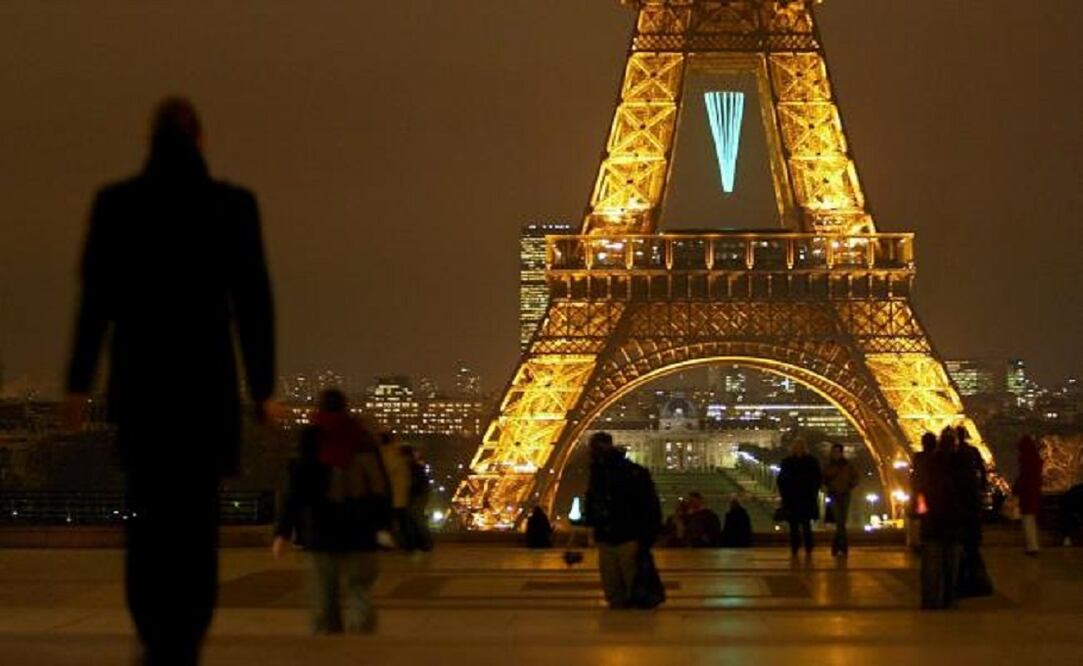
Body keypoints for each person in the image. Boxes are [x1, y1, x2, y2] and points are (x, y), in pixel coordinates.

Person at [63, 98, 275, 666]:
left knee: (149, 516)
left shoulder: (117, 206)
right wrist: (264, 388)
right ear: (202, 140)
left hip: (143, 386)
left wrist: (78, 383)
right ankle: (186, 633)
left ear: (148, 140)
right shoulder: (233, 207)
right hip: (205, 386)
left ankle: (154, 629)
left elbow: (95, 303)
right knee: (196, 520)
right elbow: (254, 303)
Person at [273, 390, 392, 633]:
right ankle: (361, 644)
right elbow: (381, 488)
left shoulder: (310, 439)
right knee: (360, 592)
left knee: (323, 597)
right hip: (361, 529)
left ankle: (328, 648)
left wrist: (283, 532)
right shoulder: (363, 439)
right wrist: (384, 525)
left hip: (321, 528)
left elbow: (295, 489)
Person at [583, 432, 663, 609]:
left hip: (621, 537)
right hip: (621, 536)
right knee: (630, 587)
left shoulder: (602, 473)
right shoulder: (606, 472)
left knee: (618, 590)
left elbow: (593, 504)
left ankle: (626, 628)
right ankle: (633, 629)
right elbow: (651, 508)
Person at [920, 427, 974, 610]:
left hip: (933, 521)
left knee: (931, 565)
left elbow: (923, 490)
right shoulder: (963, 464)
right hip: (955, 521)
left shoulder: (930, 464)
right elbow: (969, 494)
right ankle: (951, 598)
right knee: (953, 564)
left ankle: (930, 599)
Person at [955, 426, 992, 598]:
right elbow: (983, 470)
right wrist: (983, 486)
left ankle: (962, 581)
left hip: (960, 504)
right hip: (970, 503)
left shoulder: (954, 454)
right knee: (972, 548)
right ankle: (976, 580)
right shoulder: (972, 452)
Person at [777, 441, 822, 557]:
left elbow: (817, 478)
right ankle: (796, 547)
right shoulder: (809, 461)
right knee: (794, 526)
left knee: (805, 525)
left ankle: (807, 546)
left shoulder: (791, 462)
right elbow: (781, 480)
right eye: (796, 448)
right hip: (794, 499)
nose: (798, 450)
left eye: (800, 448)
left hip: (804, 498)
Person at [822, 443, 860, 557]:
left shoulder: (847, 465)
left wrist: (849, 486)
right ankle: (842, 548)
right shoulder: (829, 465)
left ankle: (836, 546)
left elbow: (856, 477)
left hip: (844, 495)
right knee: (840, 522)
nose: (836, 454)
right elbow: (823, 478)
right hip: (834, 495)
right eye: (835, 452)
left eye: (838, 452)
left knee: (841, 523)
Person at [378, 432, 412, 549]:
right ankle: (406, 543)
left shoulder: (386, 454)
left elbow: (386, 472)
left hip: (391, 493)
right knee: (401, 519)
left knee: (390, 521)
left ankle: (395, 544)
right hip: (399, 493)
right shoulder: (396, 453)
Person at [1014, 435, 1043, 556]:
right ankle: (1032, 545)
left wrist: (1017, 488)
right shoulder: (1035, 460)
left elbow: (1023, 477)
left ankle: (1031, 547)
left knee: (1027, 519)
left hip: (1027, 494)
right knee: (1030, 519)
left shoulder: (1025, 460)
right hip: (1033, 492)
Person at [401, 445, 434, 552]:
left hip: (416, 496)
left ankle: (422, 542)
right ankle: (423, 542)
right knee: (417, 519)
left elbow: (416, 484)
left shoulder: (413, 468)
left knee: (416, 518)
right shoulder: (417, 467)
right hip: (419, 495)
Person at [909, 432, 938, 551]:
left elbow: (915, 476)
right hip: (936, 494)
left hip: (923, 493)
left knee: (923, 518)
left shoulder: (918, 457)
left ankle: (924, 541)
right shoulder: (938, 457)